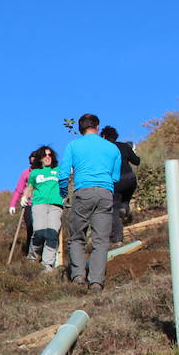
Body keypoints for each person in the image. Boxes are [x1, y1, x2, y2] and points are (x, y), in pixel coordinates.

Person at [58, 113, 121, 291]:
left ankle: (78, 275)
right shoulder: (112, 148)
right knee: (101, 240)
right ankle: (96, 281)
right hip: (105, 192)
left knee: (77, 237)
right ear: (97, 127)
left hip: (83, 192)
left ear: (80, 128)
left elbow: (63, 174)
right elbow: (115, 177)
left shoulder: (73, 145)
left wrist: (64, 192)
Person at [19, 145, 63, 273]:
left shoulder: (58, 170)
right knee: (39, 232)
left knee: (52, 234)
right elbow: (30, 187)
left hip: (56, 205)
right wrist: (24, 197)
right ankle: (32, 257)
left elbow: (67, 179)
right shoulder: (35, 173)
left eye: (50, 155)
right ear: (40, 158)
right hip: (39, 204)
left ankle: (47, 264)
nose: (48, 157)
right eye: (45, 155)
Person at [101, 127, 141, 245]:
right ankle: (125, 207)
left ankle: (117, 239)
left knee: (114, 210)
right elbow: (137, 161)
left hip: (116, 183)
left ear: (104, 137)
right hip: (130, 180)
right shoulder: (124, 146)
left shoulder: (104, 150)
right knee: (126, 197)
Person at [9, 149, 39, 258]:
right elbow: (19, 189)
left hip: (43, 203)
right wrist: (13, 204)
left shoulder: (46, 172)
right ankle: (30, 254)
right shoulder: (26, 173)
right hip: (29, 204)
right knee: (31, 228)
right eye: (31, 162)